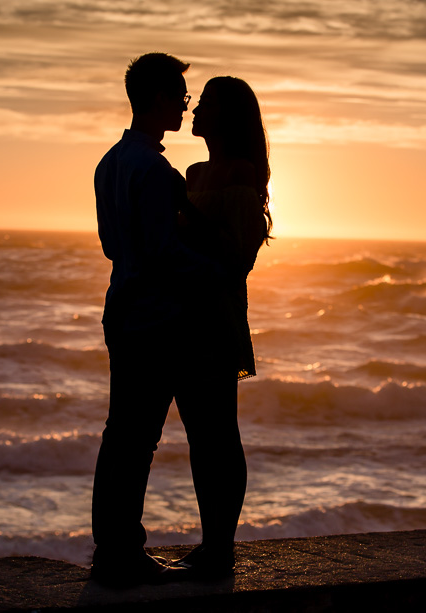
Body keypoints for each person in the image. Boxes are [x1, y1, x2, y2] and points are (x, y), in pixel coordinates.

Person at [91, 54, 248, 587]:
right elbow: (165, 253)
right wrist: (219, 269)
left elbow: (112, 244)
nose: (185, 106)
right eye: (180, 97)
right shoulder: (157, 172)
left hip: (121, 307)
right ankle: (123, 552)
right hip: (156, 318)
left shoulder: (110, 163)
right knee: (140, 439)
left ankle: (111, 549)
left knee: (121, 434)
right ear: (158, 99)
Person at [169, 76, 272, 576]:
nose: (195, 110)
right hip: (181, 316)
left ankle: (220, 548)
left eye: (205, 103)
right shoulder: (193, 172)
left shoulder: (239, 173)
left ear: (225, 116)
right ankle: (211, 544)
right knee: (199, 436)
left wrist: (186, 215)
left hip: (216, 316)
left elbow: (238, 256)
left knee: (219, 436)